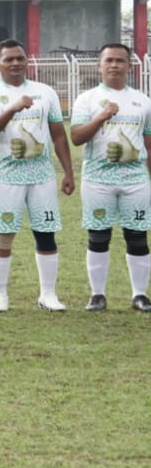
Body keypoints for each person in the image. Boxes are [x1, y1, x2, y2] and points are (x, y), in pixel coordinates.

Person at [0, 39, 75, 311]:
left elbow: (58, 134)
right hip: (5, 176)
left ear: (27, 61)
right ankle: (0, 295)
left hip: (42, 176)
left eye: (20, 58)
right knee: (4, 235)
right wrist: (12, 108)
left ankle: (48, 295)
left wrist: (68, 171)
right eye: (9, 59)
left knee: (46, 233)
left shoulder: (46, 93)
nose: (16, 63)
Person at [69, 41, 151, 311]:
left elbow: (149, 144)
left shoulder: (142, 101)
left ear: (129, 66)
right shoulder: (87, 99)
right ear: (100, 65)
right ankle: (97, 294)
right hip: (98, 180)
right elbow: (77, 137)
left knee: (137, 236)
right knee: (98, 236)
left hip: (136, 180)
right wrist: (102, 115)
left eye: (120, 60)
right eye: (109, 60)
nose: (114, 65)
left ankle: (139, 295)